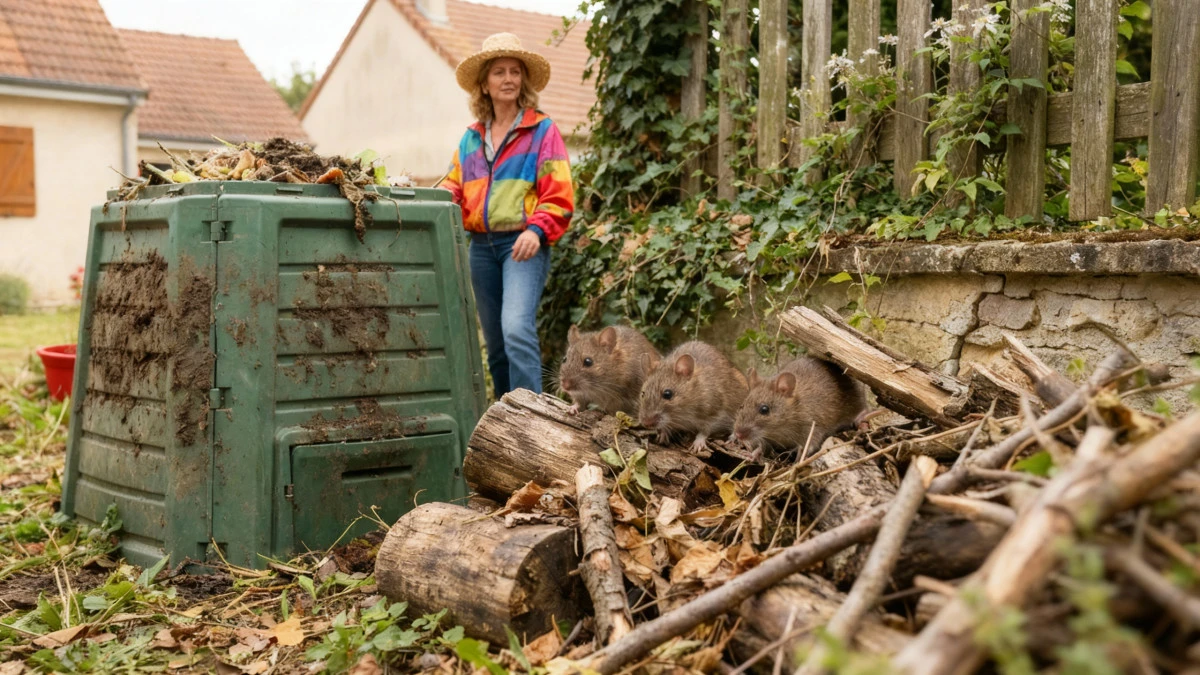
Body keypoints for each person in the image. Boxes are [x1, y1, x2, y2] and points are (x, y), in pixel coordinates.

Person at [441, 33, 574, 396]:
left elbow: (559, 195)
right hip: (480, 249)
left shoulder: (542, 130)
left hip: (523, 244)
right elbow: (453, 189)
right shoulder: (471, 138)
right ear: (484, 84)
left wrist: (536, 230)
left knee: (516, 328)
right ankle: (505, 419)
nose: (508, 79)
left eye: (515, 71)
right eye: (499, 72)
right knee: (497, 345)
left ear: (523, 80)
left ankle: (535, 421)